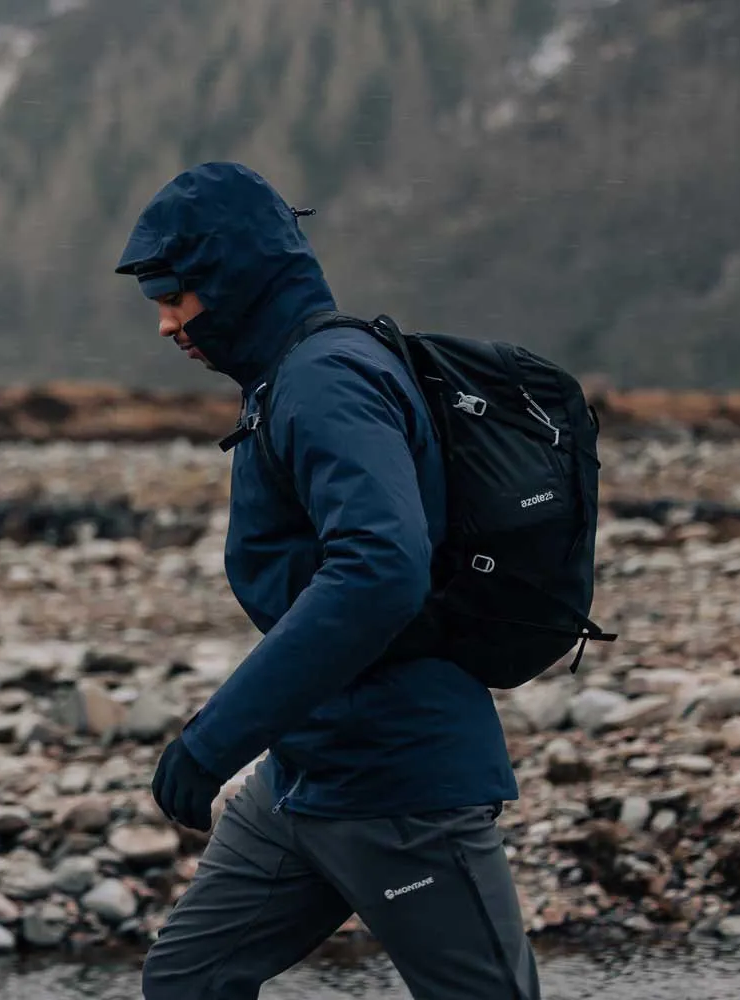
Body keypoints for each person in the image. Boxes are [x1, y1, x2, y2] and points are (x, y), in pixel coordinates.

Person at [115, 161, 542, 1000]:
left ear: (233, 280)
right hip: (308, 774)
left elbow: (380, 569)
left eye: (173, 297)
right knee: (188, 982)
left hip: (403, 783)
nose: (165, 324)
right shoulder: (285, 378)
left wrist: (211, 742)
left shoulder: (325, 379)